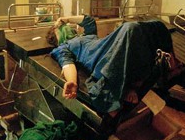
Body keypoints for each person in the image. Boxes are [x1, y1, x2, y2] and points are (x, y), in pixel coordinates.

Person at [46, 15, 175, 116]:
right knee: (130, 28)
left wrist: (64, 19)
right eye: (60, 30)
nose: (65, 28)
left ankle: (165, 59)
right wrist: (72, 81)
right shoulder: (64, 47)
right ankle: (126, 86)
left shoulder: (88, 35)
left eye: (65, 27)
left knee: (157, 26)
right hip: (104, 59)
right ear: (56, 39)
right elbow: (67, 64)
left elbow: (88, 20)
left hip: (112, 48)